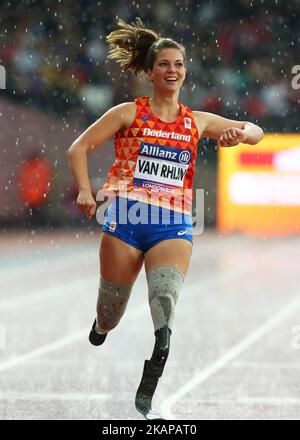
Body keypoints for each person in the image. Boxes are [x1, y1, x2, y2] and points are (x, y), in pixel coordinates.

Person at [67, 18, 264, 420]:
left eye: (178, 65)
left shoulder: (198, 121)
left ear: (185, 72)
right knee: (111, 312)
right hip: (125, 218)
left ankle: (158, 357)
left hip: (173, 223)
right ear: (151, 72)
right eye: (164, 65)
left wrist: (240, 135)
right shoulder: (127, 113)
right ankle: (102, 327)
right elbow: (78, 147)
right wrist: (86, 191)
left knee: (165, 301)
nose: (172, 71)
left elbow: (256, 131)